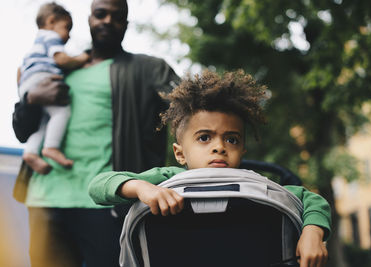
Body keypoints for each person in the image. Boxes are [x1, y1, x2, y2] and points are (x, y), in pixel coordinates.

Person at [89, 70, 331, 267]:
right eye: (205, 137)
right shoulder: (168, 178)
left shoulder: (254, 181)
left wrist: (312, 232)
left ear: (243, 150)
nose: (220, 147)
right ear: (179, 152)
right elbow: (97, 186)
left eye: (232, 139)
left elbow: (311, 199)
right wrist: (141, 187)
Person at [12, 0, 180, 266]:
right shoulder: (59, 69)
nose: (107, 22)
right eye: (100, 14)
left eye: (117, 17)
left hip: (108, 201)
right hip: (45, 200)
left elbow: (190, 108)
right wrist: (30, 98)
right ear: (89, 19)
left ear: (125, 24)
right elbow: (22, 131)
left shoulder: (147, 69)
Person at [18, 2, 90, 174]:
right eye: (67, 27)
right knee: (60, 112)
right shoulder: (50, 36)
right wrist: (82, 58)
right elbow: (61, 59)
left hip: (28, 86)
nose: (69, 35)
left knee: (44, 121)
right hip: (42, 79)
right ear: (51, 21)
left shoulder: (37, 42)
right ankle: (51, 147)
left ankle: (30, 153)